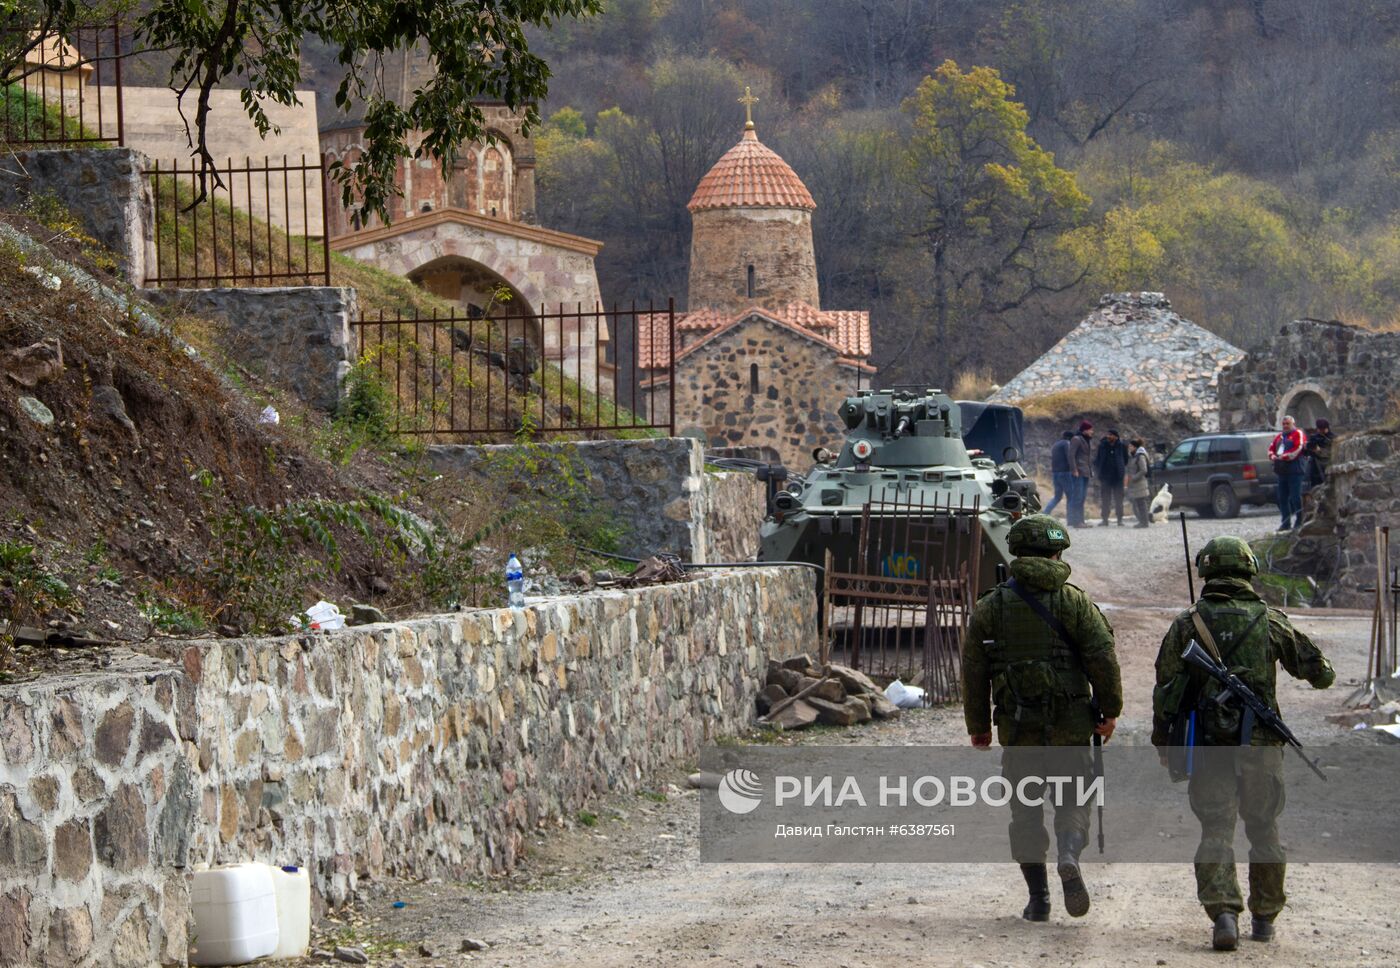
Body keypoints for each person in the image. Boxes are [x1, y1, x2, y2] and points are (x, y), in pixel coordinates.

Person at [1151, 536, 1334, 951]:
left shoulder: (1187, 623)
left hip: (1210, 745)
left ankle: (1224, 914)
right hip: (1261, 747)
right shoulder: (1270, 620)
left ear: (1206, 571)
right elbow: (1321, 675)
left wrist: (1164, 743)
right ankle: (1265, 917)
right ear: (1249, 568)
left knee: (1216, 828)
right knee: (1264, 828)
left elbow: (1165, 689)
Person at [962, 514, 1122, 923]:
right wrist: (1110, 711)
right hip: (1071, 725)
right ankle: (1069, 853)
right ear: (1058, 552)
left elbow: (974, 672)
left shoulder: (991, 606)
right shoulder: (1076, 602)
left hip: (1019, 729)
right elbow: (1103, 659)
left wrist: (978, 727)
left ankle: (1039, 900)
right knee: (1074, 800)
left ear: (1016, 552)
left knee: (1026, 813)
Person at [1269, 415, 1306, 531]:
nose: (1285, 426)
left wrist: (1284, 456)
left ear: (1293, 424)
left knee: (1295, 497)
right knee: (1282, 498)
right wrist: (1273, 456)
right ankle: (1285, 522)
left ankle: (1300, 520)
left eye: (1287, 424)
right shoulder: (1279, 437)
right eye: (1284, 424)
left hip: (1295, 470)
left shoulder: (1298, 434)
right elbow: (1271, 448)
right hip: (1282, 471)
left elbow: (1298, 449)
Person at [1093, 428, 1130, 526]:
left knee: (1119, 499)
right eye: (1107, 434)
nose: (1108, 436)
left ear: (1116, 437)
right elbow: (1098, 459)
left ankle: (1119, 519)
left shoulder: (1122, 446)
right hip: (1105, 476)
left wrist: (1120, 468)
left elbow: (1125, 460)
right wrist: (1099, 471)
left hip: (1118, 477)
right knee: (1105, 499)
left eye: (1110, 435)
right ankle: (1105, 519)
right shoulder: (1102, 446)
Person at [1068, 421, 1094, 527]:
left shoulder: (1086, 440)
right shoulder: (1076, 439)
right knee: (1077, 497)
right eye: (1090, 429)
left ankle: (1081, 521)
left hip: (1085, 472)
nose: (1092, 432)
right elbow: (1071, 455)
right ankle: (1075, 521)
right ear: (1085, 430)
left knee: (1082, 497)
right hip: (1078, 472)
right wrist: (1074, 470)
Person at [1043, 430, 1074, 517]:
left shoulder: (1056, 445)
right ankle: (1071, 519)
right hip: (1065, 473)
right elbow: (1069, 457)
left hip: (1055, 473)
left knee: (1057, 497)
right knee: (1071, 496)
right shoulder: (1066, 443)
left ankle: (1045, 513)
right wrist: (1073, 469)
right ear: (1070, 438)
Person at [1125, 436, 1152, 527]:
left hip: (1140, 483)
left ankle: (1144, 522)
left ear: (1135, 447)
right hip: (1135, 484)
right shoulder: (1133, 456)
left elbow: (1143, 470)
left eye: (1131, 447)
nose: (1129, 448)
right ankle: (1142, 521)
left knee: (1141, 503)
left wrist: (1134, 478)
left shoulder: (1140, 456)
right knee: (1138, 503)